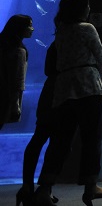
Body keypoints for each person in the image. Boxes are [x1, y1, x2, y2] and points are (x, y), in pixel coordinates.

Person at [33, 0, 102, 206]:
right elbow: (99, 55)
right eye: (87, 5)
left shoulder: (61, 30)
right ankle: (91, 187)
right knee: (92, 138)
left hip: (64, 89)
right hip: (87, 85)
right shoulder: (87, 28)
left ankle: (44, 188)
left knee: (60, 141)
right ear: (83, 9)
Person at [17, 42, 59, 206]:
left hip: (48, 93)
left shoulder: (55, 45)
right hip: (61, 93)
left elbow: (48, 70)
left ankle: (27, 186)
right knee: (57, 142)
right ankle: (45, 189)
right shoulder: (66, 44)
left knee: (39, 138)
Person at [0, 14, 34, 130]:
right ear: (20, 28)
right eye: (29, 25)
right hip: (5, 97)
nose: (32, 29)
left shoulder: (3, 46)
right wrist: (15, 104)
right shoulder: (19, 52)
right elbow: (17, 80)